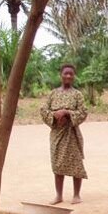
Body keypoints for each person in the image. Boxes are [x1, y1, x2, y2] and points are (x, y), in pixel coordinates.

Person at [40, 64, 88, 205]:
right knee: (57, 165)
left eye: (71, 74)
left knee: (76, 164)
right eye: (66, 73)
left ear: (74, 76)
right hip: (56, 134)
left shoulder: (77, 95)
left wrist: (67, 113)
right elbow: (43, 111)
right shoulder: (53, 94)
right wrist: (55, 115)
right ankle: (59, 195)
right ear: (61, 75)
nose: (68, 76)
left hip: (72, 134)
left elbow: (83, 112)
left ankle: (76, 195)